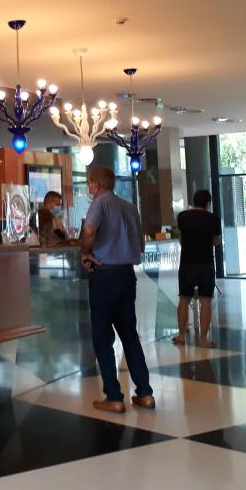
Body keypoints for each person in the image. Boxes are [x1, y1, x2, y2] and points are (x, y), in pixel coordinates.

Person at [79, 165, 154, 413]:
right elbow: (140, 246)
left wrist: (85, 251)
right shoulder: (130, 207)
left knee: (103, 337)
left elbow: (89, 230)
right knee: (129, 335)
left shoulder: (99, 203)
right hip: (126, 276)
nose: (89, 187)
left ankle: (113, 396)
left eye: (89, 183)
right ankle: (145, 393)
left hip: (104, 276)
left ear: (96, 185)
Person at [174, 189, 221, 347]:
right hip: (206, 263)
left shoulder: (182, 216)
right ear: (208, 203)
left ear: (194, 202)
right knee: (206, 301)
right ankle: (203, 339)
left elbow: (180, 237)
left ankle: (181, 336)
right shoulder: (213, 219)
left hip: (187, 263)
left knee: (184, 299)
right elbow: (216, 240)